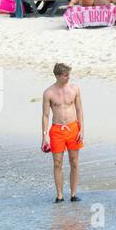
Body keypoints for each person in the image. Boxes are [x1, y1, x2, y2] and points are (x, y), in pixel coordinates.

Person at [41, 62, 84, 202]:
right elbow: (45, 115)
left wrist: (82, 129)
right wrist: (44, 136)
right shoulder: (49, 93)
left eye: (69, 75)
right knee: (57, 163)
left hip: (73, 128)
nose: (68, 77)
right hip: (57, 130)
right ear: (58, 76)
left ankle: (73, 194)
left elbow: (79, 109)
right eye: (66, 75)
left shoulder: (75, 89)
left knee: (74, 161)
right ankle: (59, 195)